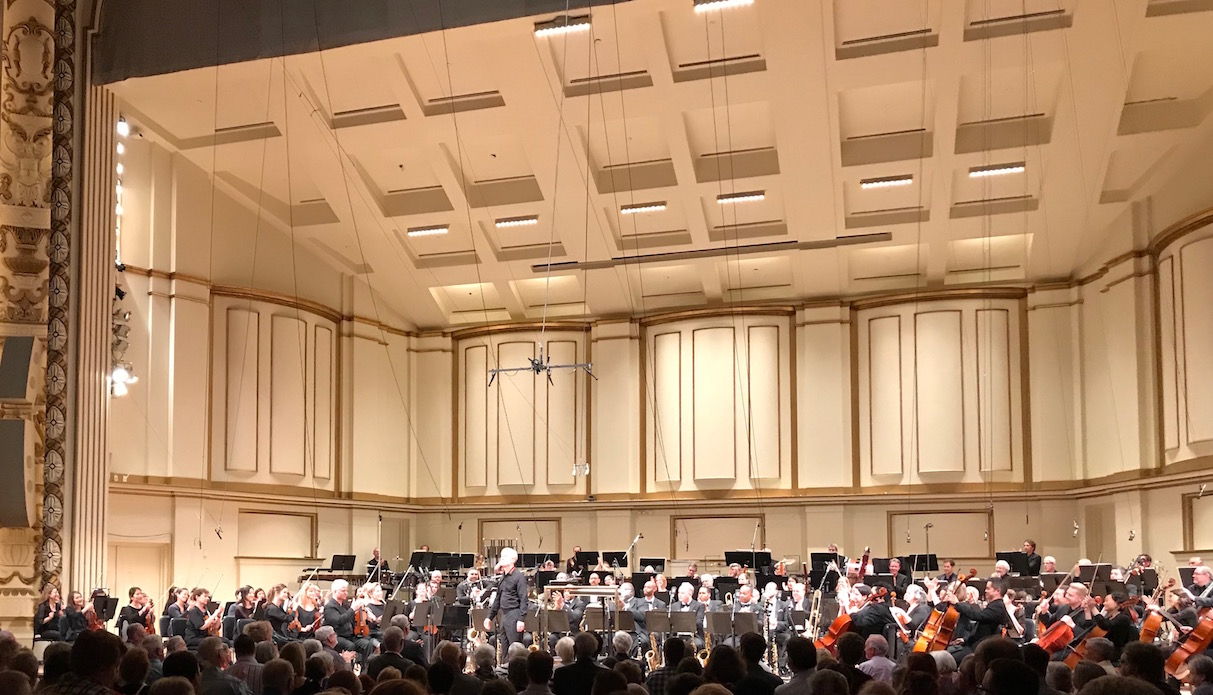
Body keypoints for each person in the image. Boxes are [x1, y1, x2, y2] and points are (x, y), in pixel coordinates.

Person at [42, 629, 125, 695]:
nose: (117, 676)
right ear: (102, 669)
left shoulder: (47, 690)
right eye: (116, 667)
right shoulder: (102, 693)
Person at [486, 548, 529, 654]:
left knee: (515, 648)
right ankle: (505, 668)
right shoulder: (503, 577)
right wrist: (489, 617)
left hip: (514, 614)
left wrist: (521, 619)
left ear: (512, 560)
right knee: (504, 647)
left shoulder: (519, 577)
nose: (502, 559)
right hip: (504, 615)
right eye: (502, 556)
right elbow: (498, 599)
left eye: (505, 556)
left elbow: (524, 599)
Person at [323, 579, 375, 661]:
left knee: (367, 644)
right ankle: (348, 668)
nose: (346, 593)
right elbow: (338, 621)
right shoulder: (330, 606)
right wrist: (353, 609)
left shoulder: (345, 605)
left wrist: (364, 615)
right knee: (350, 646)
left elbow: (352, 618)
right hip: (337, 635)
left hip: (350, 635)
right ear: (335, 591)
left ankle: (364, 669)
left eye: (347, 591)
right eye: (343, 591)